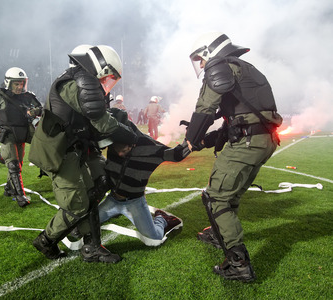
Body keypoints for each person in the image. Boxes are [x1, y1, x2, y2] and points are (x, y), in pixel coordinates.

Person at [185, 32, 283, 282]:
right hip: (263, 139)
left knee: (217, 198)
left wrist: (191, 138)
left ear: (210, 52)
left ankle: (238, 263)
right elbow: (242, 117)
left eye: (201, 59)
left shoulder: (220, 66)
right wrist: (206, 141)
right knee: (230, 194)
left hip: (249, 143)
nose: (202, 65)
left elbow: (205, 109)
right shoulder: (245, 68)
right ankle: (218, 235)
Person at [29, 45, 137, 263]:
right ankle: (46, 240)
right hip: (60, 152)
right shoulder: (75, 83)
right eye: (107, 74)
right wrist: (131, 136)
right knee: (77, 204)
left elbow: (94, 122)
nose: (106, 81)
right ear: (95, 66)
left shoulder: (78, 82)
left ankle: (91, 246)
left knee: (99, 183)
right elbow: (102, 122)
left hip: (76, 147)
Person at [99, 108, 191, 241]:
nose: (118, 152)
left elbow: (176, 155)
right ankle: (116, 211)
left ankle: (162, 219)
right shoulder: (110, 139)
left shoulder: (149, 145)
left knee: (154, 238)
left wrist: (192, 137)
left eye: (122, 144)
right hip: (112, 199)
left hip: (134, 202)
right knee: (83, 228)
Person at [0, 67, 43, 208]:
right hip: (8, 133)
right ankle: (20, 196)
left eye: (21, 83)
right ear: (9, 83)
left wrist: (35, 111)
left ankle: (9, 188)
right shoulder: (0, 95)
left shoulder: (28, 95)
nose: (20, 87)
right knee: (13, 164)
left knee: (17, 164)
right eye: (16, 84)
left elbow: (42, 108)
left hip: (24, 132)